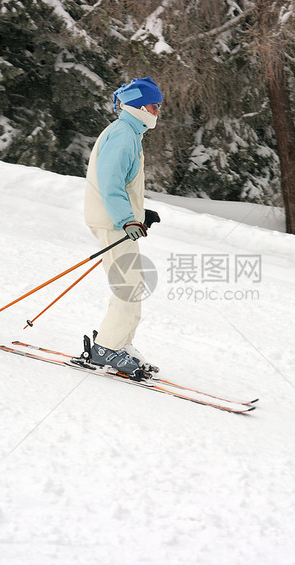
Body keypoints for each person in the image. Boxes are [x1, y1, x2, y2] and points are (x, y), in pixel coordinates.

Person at [83, 77, 163, 380]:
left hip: (116, 220)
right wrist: (126, 219)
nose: (157, 112)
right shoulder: (123, 134)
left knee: (132, 284)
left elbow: (122, 183)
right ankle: (106, 349)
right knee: (129, 286)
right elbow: (110, 181)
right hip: (113, 222)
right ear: (140, 106)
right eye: (155, 105)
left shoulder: (128, 132)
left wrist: (139, 213)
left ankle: (120, 344)